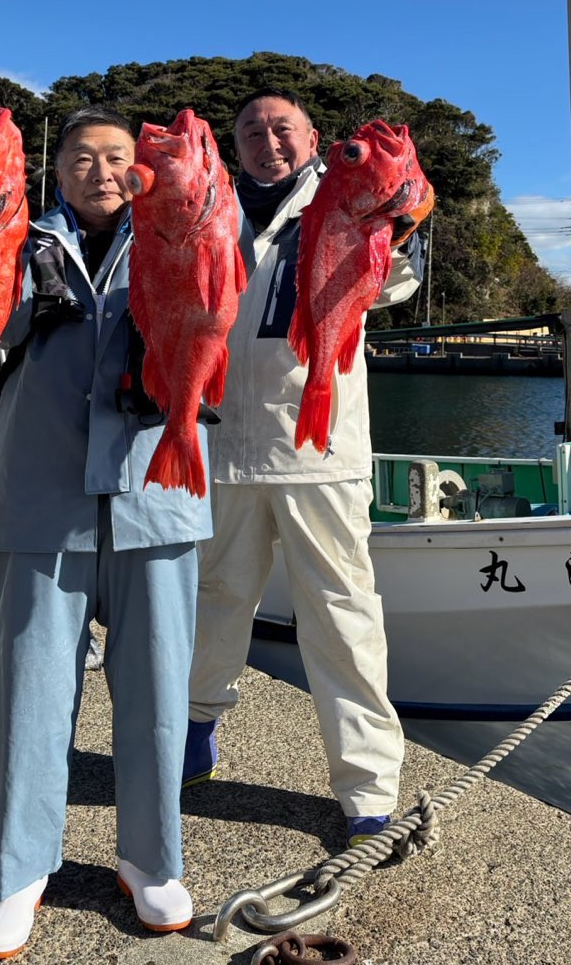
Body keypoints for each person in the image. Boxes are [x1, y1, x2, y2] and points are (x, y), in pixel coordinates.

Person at [0, 106, 213, 959]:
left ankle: (151, 862)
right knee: (30, 689)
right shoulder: (10, 233)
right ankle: (18, 870)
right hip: (40, 498)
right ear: (55, 169)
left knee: (156, 689)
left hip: (160, 490)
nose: (102, 171)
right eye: (83, 157)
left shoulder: (187, 225)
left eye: (117, 156)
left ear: (142, 167)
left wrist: (397, 224)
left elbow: (252, 285)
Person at [185, 88, 426, 847]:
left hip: (321, 448)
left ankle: (368, 791)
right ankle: (193, 732)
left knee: (343, 620)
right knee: (212, 601)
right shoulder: (209, 204)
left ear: (311, 136)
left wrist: (401, 226)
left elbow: (394, 281)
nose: (268, 141)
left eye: (282, 128)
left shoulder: (345, 197)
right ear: (234, 144)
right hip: (220, 444)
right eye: (251, 129)